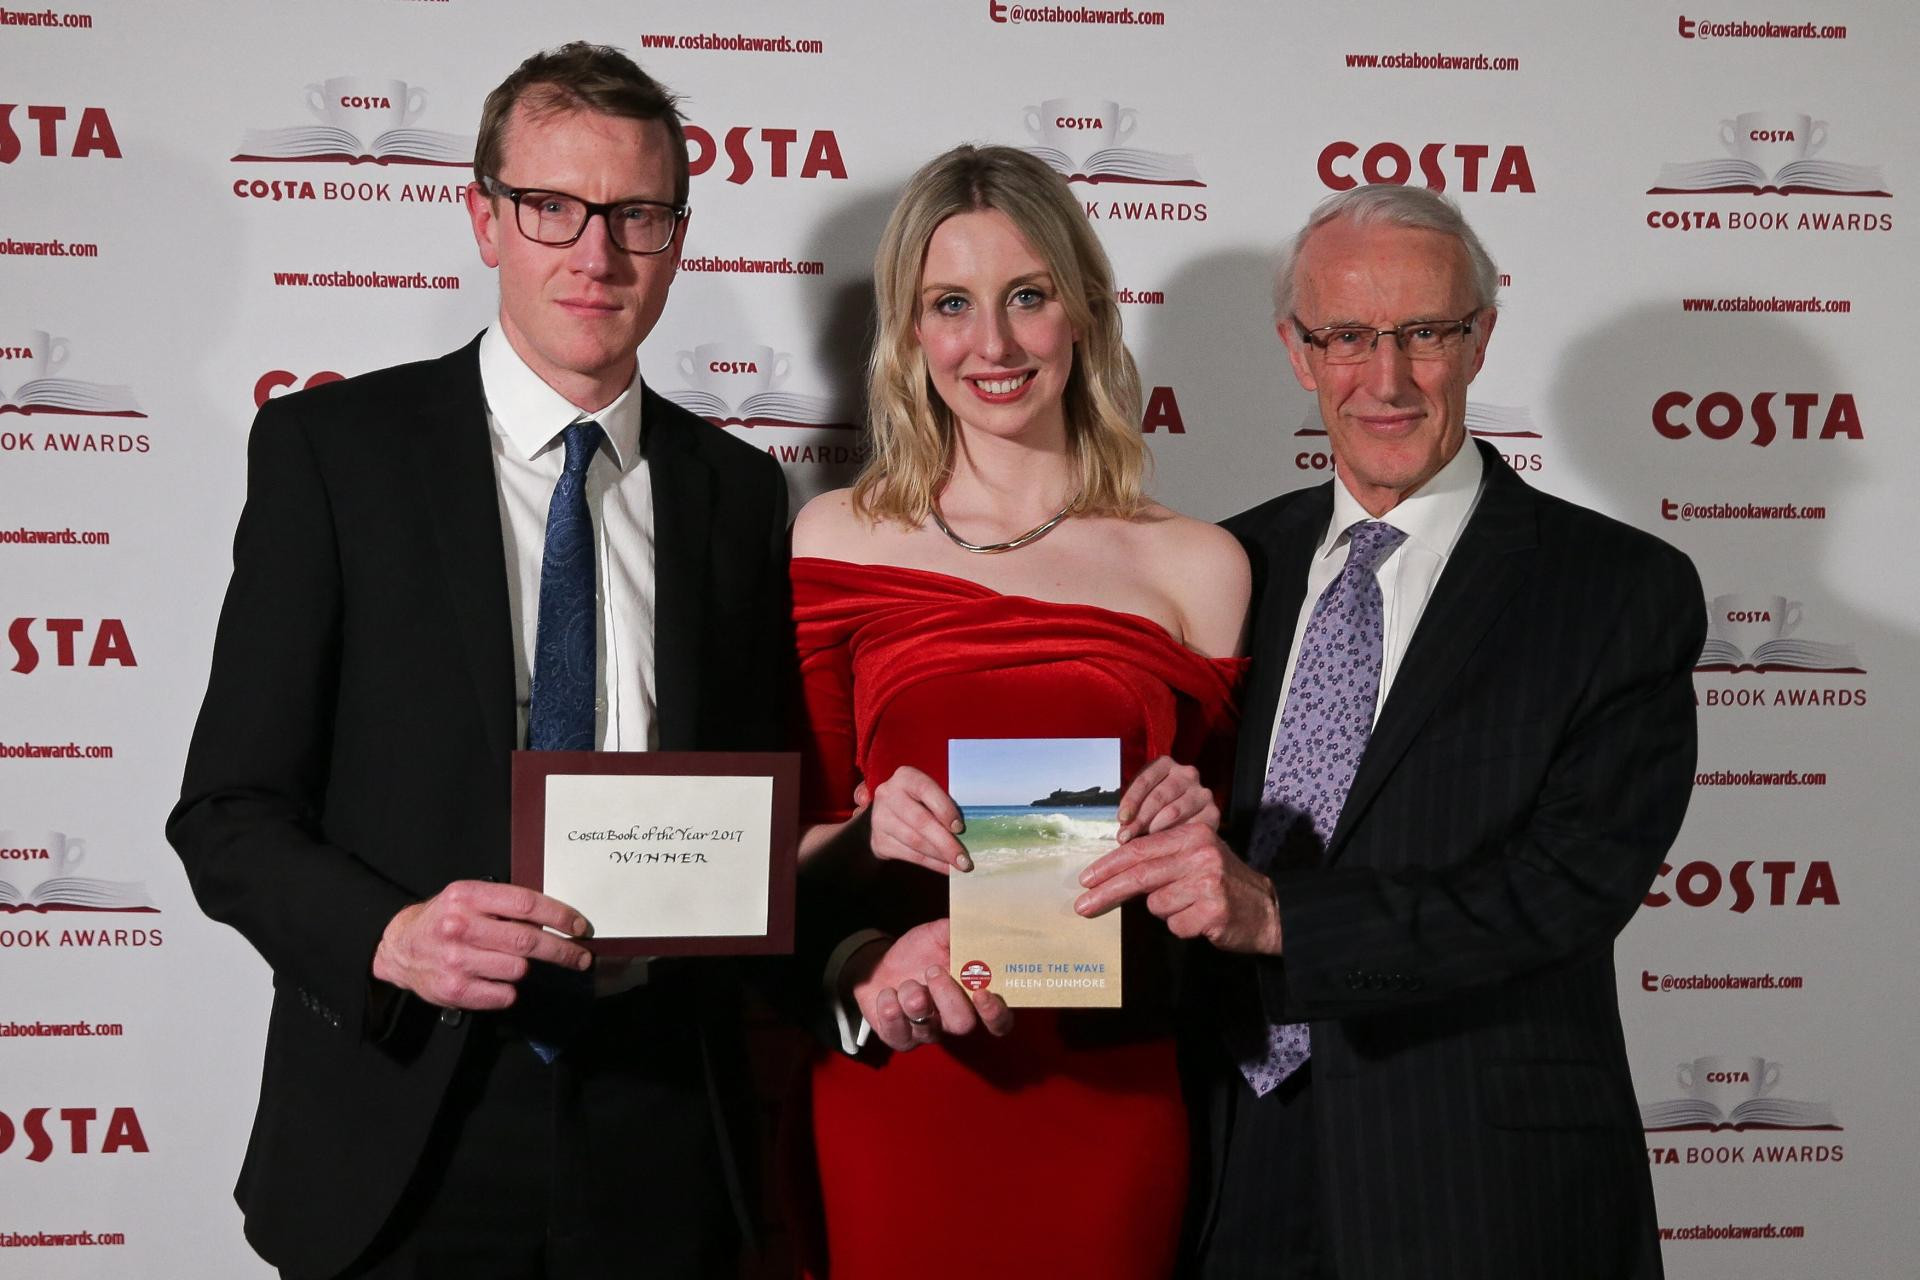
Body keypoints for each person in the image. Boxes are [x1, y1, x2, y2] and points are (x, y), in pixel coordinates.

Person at [166, 43, 791, 1279]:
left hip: (662, 1118)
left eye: (637, 214)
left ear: (678, 237)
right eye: (553, 206)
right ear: (484, 217)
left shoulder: (737, 489)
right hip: (405, 1110)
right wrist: (395, 934)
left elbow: (764, 804)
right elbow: (227, 814)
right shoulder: (333, 453)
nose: (596, 254)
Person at [1077, 184, 1703, 1279]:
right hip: (1230, 1161)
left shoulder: (1616, 589)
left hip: (1479, 1182)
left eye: (1425, 332)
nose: (1388, 378)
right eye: (1349, 337)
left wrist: (1283, 919)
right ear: (1297, 351)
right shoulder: (1226, 567)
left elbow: (1564, 888)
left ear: (1481, 338)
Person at [787, 144, 1251, 1278]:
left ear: (1084, 310)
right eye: (951, 303)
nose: (992, 344)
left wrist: (1196, 826)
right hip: (905, 1082)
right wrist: (866, 850)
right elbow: (786, 854)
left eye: (1027, 296)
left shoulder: (1200, 565)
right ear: (909, 331)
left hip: (1108, 1090)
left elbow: (1220, 887)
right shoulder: (839, 537)